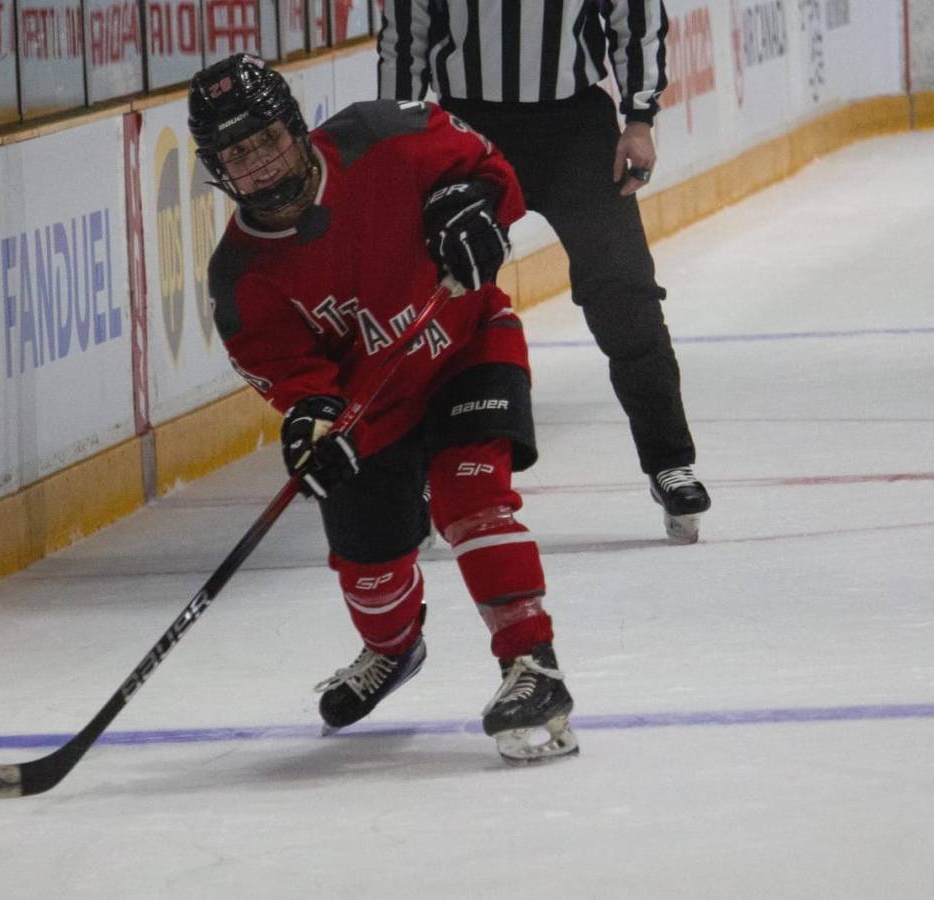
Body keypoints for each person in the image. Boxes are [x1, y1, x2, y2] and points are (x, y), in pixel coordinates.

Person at [187, 53, 578, 764]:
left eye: (266, 137)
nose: (261, 163)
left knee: (472, 494)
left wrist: (473, 209)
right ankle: (392, 650)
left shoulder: (380, 133)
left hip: (465, 343)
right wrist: (313, 428)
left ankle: (533, 666)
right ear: (217, 169)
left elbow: (490, 171)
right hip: (373, 412)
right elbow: (298, 385)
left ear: (296, 127)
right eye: (237, 153)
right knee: (370, 563)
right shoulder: (241, 277)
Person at [378, 0, 711, 544]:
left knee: (624, 295)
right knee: (439, 300)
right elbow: (405, 33)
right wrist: (399, 142)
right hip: (467, 129)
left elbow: (635, 13)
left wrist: (640, 116)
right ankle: (419, 474)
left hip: (574, 128)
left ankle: (670, 462)